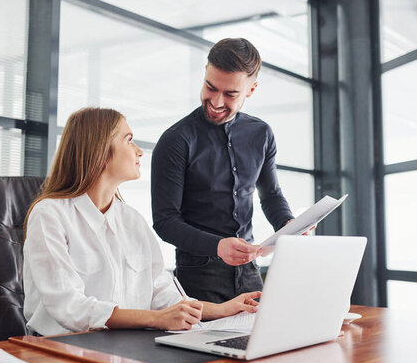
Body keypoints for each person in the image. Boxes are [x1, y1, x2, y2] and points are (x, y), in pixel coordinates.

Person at [22, 107, 261, 336]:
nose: (138, 150)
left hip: (125, 346)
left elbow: (164, 295)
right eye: (128, 140)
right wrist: (156, 319)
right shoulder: (49, 215)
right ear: (100, 150)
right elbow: (70, 307)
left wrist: (222, 310)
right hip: (60, 348)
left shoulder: (132, 220)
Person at [152, 38, 303, 303]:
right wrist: (217, 246)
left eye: (231, 94)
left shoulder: (262, 134)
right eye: (210, 87)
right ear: (205, 73)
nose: (216, 101)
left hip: (250, 273)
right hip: (198, 277)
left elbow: (271, 196)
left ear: (251, 90)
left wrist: (288, 225)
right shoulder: (176, 140)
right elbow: (165, 222)